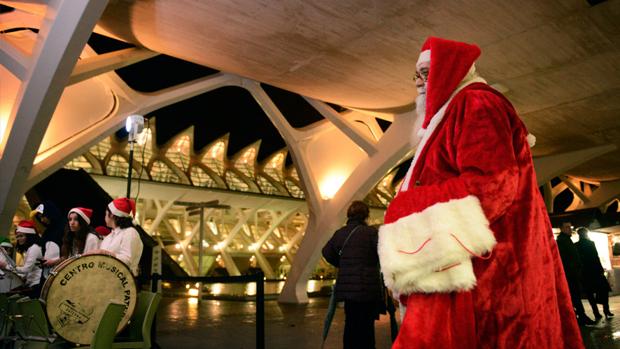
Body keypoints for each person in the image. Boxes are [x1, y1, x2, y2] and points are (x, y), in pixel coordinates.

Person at [378, 37, 583, 348]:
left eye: (426, 72)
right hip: (470, 269)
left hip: (490, 276)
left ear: (450, 69)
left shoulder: (477, 103)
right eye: (416, 75)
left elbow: (492, 186)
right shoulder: (454, 112)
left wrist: (404, 207)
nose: (419, 82)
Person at [322, 201, 382, 349]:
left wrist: (343, 265)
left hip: (348, 292)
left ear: (349, 215)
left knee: (351, 324)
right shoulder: (371, 233)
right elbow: (382, 253)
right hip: (367, 289)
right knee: (366, 327)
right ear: (366, 215)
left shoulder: (340, 233)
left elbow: (326, 252)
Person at [86, 198, 143, 276]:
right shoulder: (109, 237)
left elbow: (127, 260)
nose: (104, 217)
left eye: (105, 214)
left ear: (112, 214)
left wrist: (104, 252)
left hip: (123, 283)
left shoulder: (130, 232)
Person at [556, 223, 596, 325]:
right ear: (561, 229)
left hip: (572, 273)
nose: (570, 229)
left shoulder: (566, 240)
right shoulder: (562, 241)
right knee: (574, 296)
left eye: (570, 227)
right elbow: (565, 258)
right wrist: (573, 269)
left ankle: (580, 316)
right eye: (567, 227)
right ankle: (580, 316)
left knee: (575, 296)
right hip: (570, 274)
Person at [575, 227, 613, 320]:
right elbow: (595, 257)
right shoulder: (590, 244)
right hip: (595, 271)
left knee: (590, 294)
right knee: (603, 290)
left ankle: (596, 313)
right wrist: (600, 269)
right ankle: (606, 310)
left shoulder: (576, 245)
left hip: (585, 273)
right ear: (586, 234)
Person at [0, 221, 43, 298]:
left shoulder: (34, 248)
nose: (18, 239)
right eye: (17, 236)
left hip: (36, 285)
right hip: (30, 283)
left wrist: (6, 266)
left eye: (21, 236)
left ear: (29, 236)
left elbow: (26, 269)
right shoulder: (29, 249)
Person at [30, 201, 63, 280]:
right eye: (39, 217)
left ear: (49, 213)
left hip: (62, 271)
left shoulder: (64, 228)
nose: (42, 220)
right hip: (47, 274)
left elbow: (69, 253)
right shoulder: (46, 233)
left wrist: (55, 262)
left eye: (43, 216)